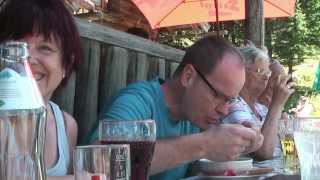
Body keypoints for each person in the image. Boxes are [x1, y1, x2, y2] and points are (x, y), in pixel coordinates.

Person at [89, 36, 264, 180]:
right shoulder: (138, 101)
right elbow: (97, 162)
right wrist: (205, 144)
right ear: (188, 77)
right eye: (218, 96)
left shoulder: (196, 116)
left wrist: (245, 138)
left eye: (229, 101)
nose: (223, 110)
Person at [0, 0, 83, 179]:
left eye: (45, 48)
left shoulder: (67, 126)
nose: (27, 59)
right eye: (16, 46)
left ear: (66, 65)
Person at [221, 47, 294, 160]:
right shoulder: (232, 105)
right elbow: (262, 153)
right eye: (260, 71)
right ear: (241, 72)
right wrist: (277, 105)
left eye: (268, 73)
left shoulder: (262, 109)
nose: (266, 77)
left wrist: (286, 126)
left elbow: (290, 153)